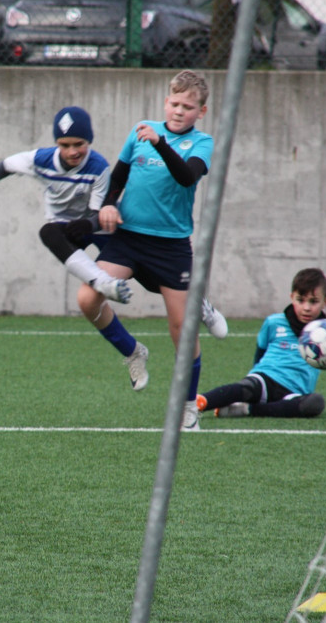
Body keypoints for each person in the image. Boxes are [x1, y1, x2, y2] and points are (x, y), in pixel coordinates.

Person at [0, 105, 229, 339]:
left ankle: (198, 303)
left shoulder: (98, 166)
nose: (72, 151)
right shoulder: (41, 159)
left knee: (153, 280)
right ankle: (102, 283)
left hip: (98, 225)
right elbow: (6, 166)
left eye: (79, 144)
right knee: (49, 232)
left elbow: (100, 212)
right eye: (65, 145)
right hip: (68, 226)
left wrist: (93, 221)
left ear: (89, 142)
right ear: (57, 144)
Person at [74, 70, 217, 431]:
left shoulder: (202, 143)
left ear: (201, 111)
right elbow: (118, 177)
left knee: (182, 329)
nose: (179, 111)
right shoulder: (141, 130)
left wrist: (161, 144)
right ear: (166, 102)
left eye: (188, 107)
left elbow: (186, 177)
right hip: (128, 239)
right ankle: (132, 350)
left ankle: (188, 405)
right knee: (87, 298)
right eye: (175, 103)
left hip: (171, 247)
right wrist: (109, 203)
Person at [195, 267, 326, 418]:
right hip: (265, 380)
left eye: (313, 301)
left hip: (295, 393)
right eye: (300, 300)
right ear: (292, 298)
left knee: (315, 403)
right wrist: (253, 378)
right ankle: (197, 403)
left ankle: (248, 410)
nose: (306, 307)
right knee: (246, 387)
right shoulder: (274, 322)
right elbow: (260, 355)